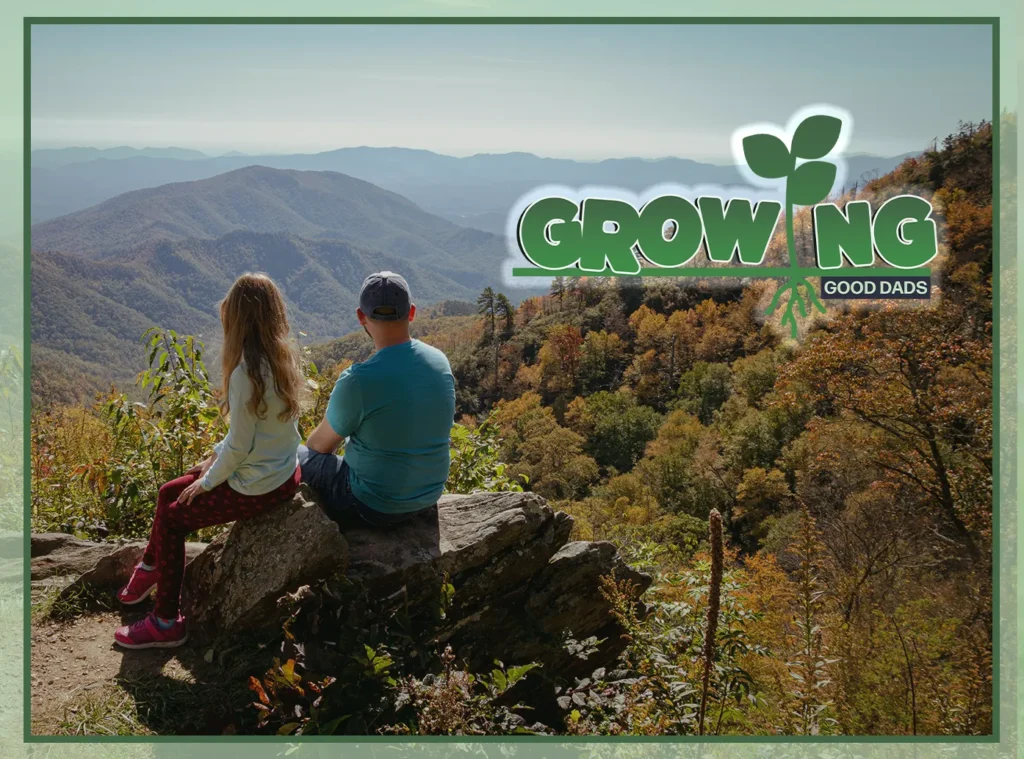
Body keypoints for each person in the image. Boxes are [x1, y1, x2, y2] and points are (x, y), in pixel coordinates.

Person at [113, 273, 303, 650]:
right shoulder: (280, 359)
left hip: (258, 485)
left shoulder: (245, 374)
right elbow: (250, 436)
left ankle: (166, 621)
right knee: (169, 490)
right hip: (283, 471)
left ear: (236, 322)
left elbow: (240, 447)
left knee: (172, 517)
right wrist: (211, 458)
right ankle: (151, 568)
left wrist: (209, 480)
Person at [300, 271, 456, 528]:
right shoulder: (440, 361)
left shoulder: (358, 380)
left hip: (372, 506)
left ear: (361, 317)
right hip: (428, 497)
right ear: (412, 312)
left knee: (293, 458)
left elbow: (319, 447)